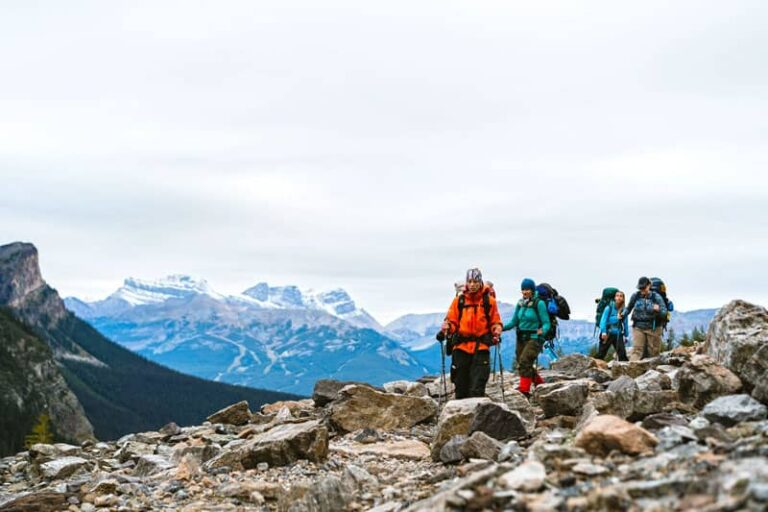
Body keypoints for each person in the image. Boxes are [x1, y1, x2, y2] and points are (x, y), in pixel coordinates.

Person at [440, 268, 503, 399]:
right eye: (470, 281)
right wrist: (447, 328)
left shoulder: (489, 301)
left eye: (475, 281)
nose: (472, 284)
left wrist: (497, 329)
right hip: (461, 348)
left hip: (481, 347)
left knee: (477, 388)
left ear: (480, 282)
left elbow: (495, 321)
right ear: (466, 283)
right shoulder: (459, 301)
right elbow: (452, 321)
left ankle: (477, 417)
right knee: (461, 388)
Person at [502, 278, 551, 396]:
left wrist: (543, 331)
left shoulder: (539, 303)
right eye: (523, 289)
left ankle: (524, 390)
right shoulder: (520, 304)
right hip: (521, 337)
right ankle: (541, 385)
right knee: (524, 363)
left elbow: (546, 322)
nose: (525, 292)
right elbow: (514, 321)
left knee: (524, 361)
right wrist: (500, 328)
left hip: (534, 338)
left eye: (527, 289)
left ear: (532, 290)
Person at [621, 276, 667, 361]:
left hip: (653, 328)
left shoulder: (656, 297)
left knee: (653, 352)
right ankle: (632, 369)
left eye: (644, 288)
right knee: (637, 350)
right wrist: (622, 315)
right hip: (638, 327)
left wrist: (658, 309)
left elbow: (664, 313)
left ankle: (653, 372)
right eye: (640, 288)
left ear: (649, 285)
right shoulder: (636, 296)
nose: (642, 290)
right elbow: (629, 308)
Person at [597, 290, 629, 361]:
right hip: (607, 333)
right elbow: (603, 321)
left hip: (618, 333)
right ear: (614, 298)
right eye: (617, 296)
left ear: (623, 299)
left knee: (622, 354)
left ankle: (623, 370)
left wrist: (626, 335)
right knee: (601, 354)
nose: (619, 298)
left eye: (621, 296)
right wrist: (603, 332)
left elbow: (625, 323)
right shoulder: (609, 308)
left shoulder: (624, 310)